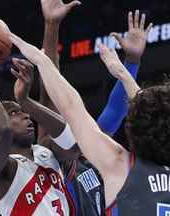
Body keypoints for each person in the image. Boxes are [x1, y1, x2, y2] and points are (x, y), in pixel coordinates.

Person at [10, 15, 170, 215]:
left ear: (135, 126)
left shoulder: (119, 165)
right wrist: (124, 71)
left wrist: (42, 61)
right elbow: (161, 122)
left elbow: (71, 106)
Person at [13, 6, 150, 215]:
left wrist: (132, 61)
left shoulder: (91, 151)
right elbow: (51, 87)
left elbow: (115, 111)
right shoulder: (50, 156)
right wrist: (51, 25)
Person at [0, 2, 81, 212]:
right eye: (14, 113)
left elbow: (55, 104)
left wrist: (51, 25)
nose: (26, 116)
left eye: (23, 112)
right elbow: (2, 130)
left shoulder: (46, 152)